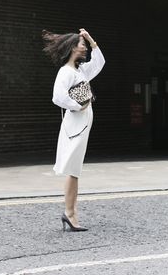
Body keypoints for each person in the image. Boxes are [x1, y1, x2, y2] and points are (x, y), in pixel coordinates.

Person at [42, 27, 105, 232]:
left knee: (74, 169)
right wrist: (79, 105)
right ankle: (69, 213)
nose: (85, 48)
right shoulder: (66, 72)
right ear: (72, 48)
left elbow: (100, 62)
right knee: (72, 169)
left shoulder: (80, 70)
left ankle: (72, 212)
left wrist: (91, 39)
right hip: (75, 124)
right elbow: (57, 97)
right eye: (82, 45)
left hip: (81, 123)